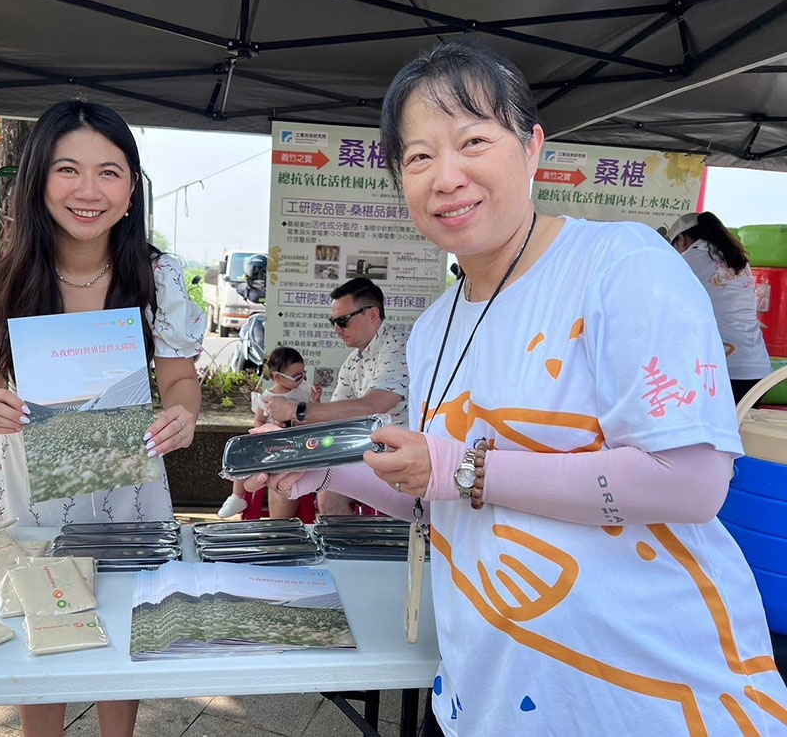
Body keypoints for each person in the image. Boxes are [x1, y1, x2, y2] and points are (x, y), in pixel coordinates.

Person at [243, 41, 787, 736]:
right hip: (490, 700)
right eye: (418, 158)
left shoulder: (621, 264)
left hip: (650, 704)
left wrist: (464, 468)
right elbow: (440, 498)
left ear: (532, 147)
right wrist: (324, 462)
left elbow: (689, 482)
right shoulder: (435, 326)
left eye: (473, 140)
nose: (447, 176)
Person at [0, 99, 204, 737]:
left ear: (132, 189)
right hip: (28, 487)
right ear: (37, 181)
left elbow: (179, 378)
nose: (90, 191)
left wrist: (183, 414)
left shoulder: (159, 277)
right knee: (40, 624)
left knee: (128, 625)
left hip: (127, 480)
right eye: (68, 170)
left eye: (110, 172)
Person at [265, 277, 409, 515]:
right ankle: (277, 541)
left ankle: (349, 550)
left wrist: (297, 410)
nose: (336, 330)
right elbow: (335, 418)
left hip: (400, 454)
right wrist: (287, 427)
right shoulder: (353, 362)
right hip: (363, 450)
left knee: (328, 491)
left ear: (372, 314)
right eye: (333, 321)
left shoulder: (399, 347)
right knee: (284, 463)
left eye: (342, 321)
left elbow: (374, 406)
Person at [670, 211, 772, 402]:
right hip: (758, 368)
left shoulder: (689, 260)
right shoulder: (737, 260)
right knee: (743, 429)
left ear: (682, 239)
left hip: (726, 369)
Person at [217, 345, 320, 519]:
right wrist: (265, 431)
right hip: (271, 442)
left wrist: (315, 401)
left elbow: (314, 416)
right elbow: (258, 421)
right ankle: (237, 495)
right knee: (242, 453)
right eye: (296, 376)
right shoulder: (266, 397)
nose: (301, 379)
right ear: (278, 377)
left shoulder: (304, 390)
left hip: (298, 444)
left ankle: (312, 494)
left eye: (303, 374)